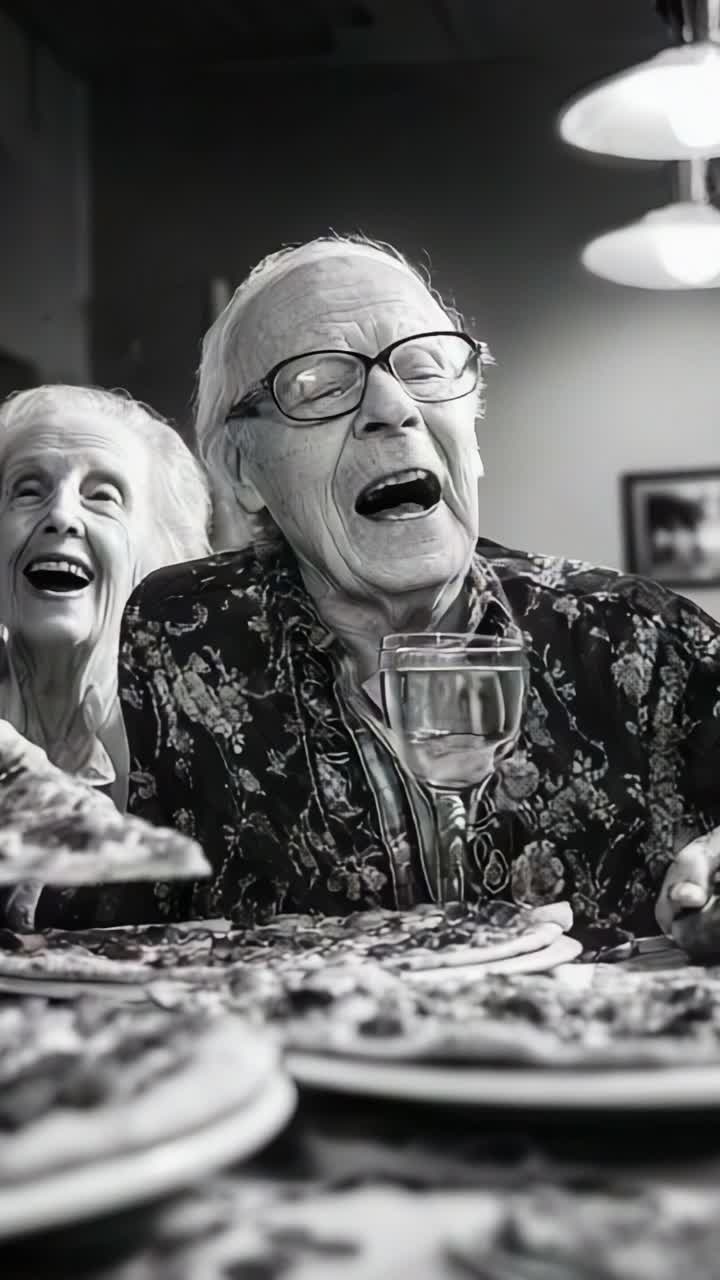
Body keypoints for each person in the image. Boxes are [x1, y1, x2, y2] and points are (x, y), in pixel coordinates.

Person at [36, 237, 720, 951]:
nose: (393, 407)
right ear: (241, 470)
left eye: (424, 369)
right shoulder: (183, 633)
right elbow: (129, 926)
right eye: (320, 387)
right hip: (300, 1024)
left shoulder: (634, 634)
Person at [0, 385, 211, 927]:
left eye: (103, 496)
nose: (61, 515)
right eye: (28, 491)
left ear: (159, 554)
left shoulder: (205, 749)